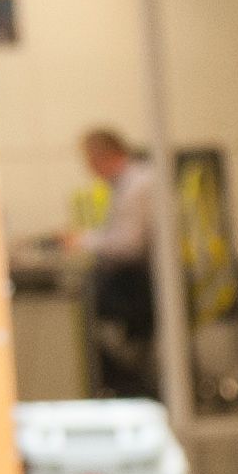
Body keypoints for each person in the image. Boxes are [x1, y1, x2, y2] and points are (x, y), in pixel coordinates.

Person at [77, 127, 158, 399]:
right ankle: (127, 383)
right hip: (137, 278)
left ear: (104, 156)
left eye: (90, 161)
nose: (90, 170)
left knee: (74, 315)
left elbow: (129, 246)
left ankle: (128, 385)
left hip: (143, 284)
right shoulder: (128, 183)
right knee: (75, 309)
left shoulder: (138, 185)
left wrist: (81, 241)